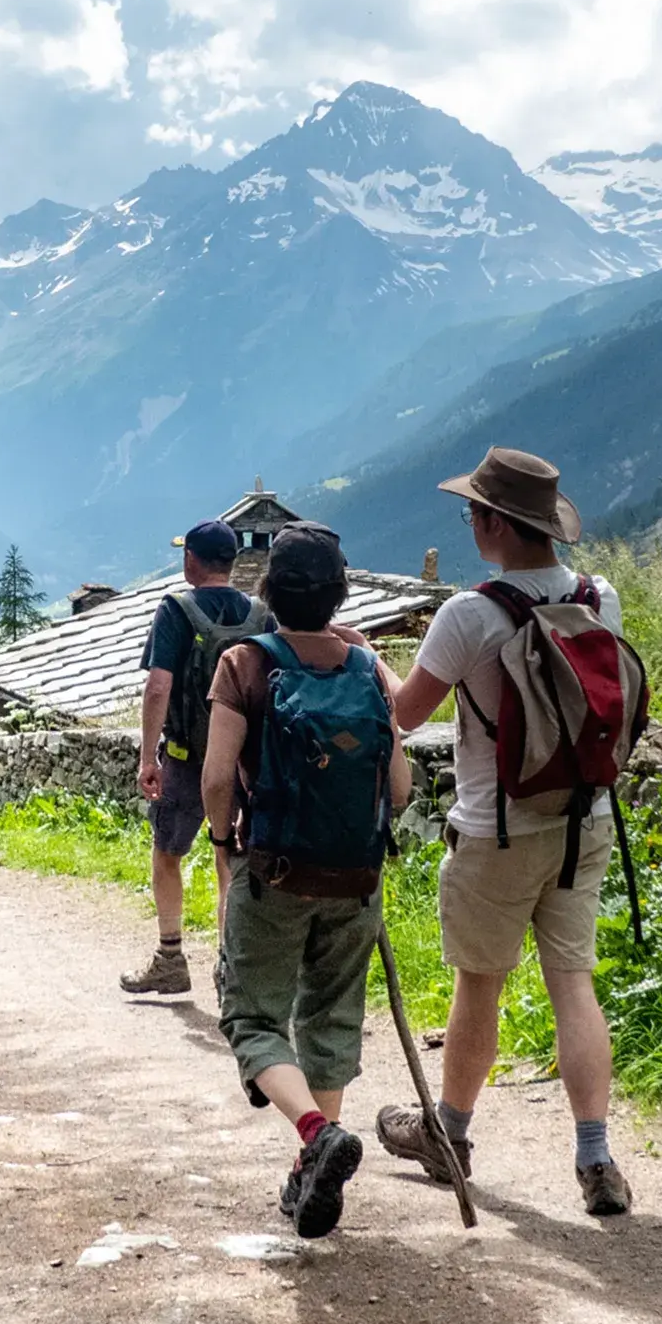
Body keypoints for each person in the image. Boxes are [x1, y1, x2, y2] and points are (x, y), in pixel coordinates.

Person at [376, 447, 635, 1217]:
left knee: (479, 985)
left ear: (494, 523)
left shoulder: (470, 613)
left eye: (473, 515)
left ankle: (447, 1134)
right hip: (582, 821)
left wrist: (372, 662)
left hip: (497, 829)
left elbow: (405, 712)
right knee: (573, 985)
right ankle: (596, 1157)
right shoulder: (600, 597)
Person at [202, 522, 411, 1238]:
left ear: (269, 592)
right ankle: (309, 1167)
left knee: (251, 1017)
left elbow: (217, 777)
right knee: (329, 1018)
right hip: (355, 877)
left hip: (276, 873)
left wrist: (224, 841)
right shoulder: (367, 668)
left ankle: (317, 1134)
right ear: (340, 593)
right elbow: (403, 788)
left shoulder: (244, 664)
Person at [121, 519, 265, 997]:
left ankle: (170, 958)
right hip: (244, 760)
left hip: (185, 758)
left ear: (191, 561)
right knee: (230, 858)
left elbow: (159, 685)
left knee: (167, 855)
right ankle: (229, 969)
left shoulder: (176, 610)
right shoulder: (259, 613)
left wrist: (148, 757)